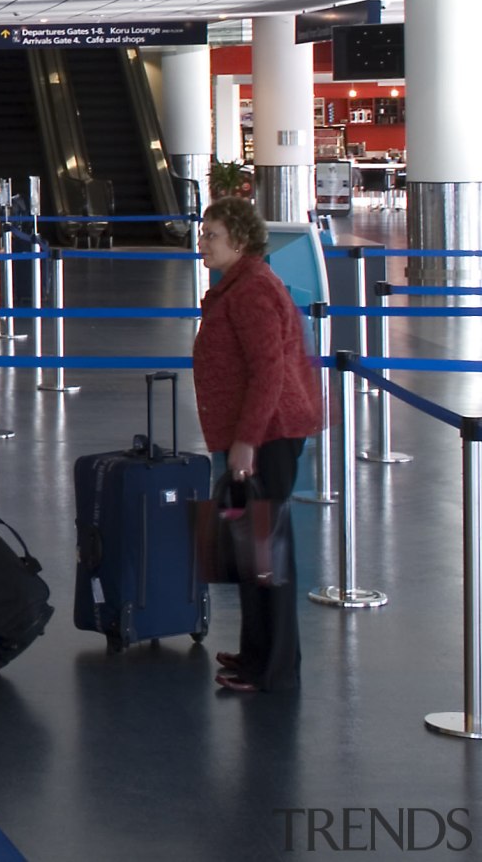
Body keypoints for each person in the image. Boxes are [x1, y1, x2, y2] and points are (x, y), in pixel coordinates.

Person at [192, 196, 322, 695]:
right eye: (203, 233)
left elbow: (268, 373)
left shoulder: (252, 293)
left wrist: (246, 441)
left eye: (212, 235)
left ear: (240, 241)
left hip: (269, 435)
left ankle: (274, 668)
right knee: (253, 549)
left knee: (267, 555)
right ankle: (256, 652)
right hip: (257, 433)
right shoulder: (239, 285)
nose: (202, 242)